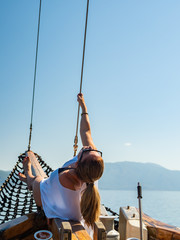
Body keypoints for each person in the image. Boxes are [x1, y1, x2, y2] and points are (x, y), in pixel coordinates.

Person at [19, 93, 104, 228]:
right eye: (94, 150)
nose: (88, 147)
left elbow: (44, 190)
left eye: (87, 151)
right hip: (77, 215)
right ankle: (28, 179)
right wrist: (83, 107)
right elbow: (86, 131)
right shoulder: (91, 172)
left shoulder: (64, 176)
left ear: (77, 163)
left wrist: (35, 181)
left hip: (55, 207)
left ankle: (28, 176)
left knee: (37, 180)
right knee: (40, 180)